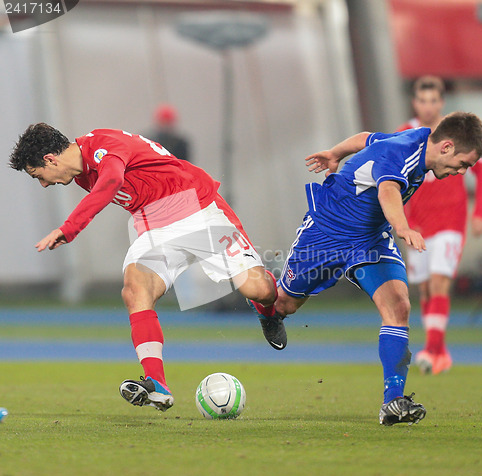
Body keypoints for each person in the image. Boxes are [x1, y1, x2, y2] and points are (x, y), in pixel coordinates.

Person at [9, 123, 286, 412]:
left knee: (259, 290)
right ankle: (157, 383)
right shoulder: (81, 175)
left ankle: (268, 312)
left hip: (199, 209)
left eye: (38, 175)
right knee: (134, 290)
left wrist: (69, 228)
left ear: (50, 160)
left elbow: (112, 182)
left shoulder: (103, 145)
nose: (43, 183)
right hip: (155, 225)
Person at [266, 112, 482, 426]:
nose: (462, 171)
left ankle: (392, 402)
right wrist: (403, 227)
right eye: (464, 164)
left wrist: (335, 153)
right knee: (284, 303)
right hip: (328, 229)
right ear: (448, 147)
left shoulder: (419, 139)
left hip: (370, 238)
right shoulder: (404, 153)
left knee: (399, 306)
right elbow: (388, 191)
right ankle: (267, 309)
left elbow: (366, 138)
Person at [397, 76, 482, 375]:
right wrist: (405, 221)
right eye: (422, 100)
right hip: (419, 226)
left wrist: (480, 213)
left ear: (441, 102)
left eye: (433, 100)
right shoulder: (406, 134)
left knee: (439, 283)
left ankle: (432, 350)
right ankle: (439, 350)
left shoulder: (454, 133)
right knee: (425, 290)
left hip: (451, 222)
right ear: (415, 103)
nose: (428, 106)